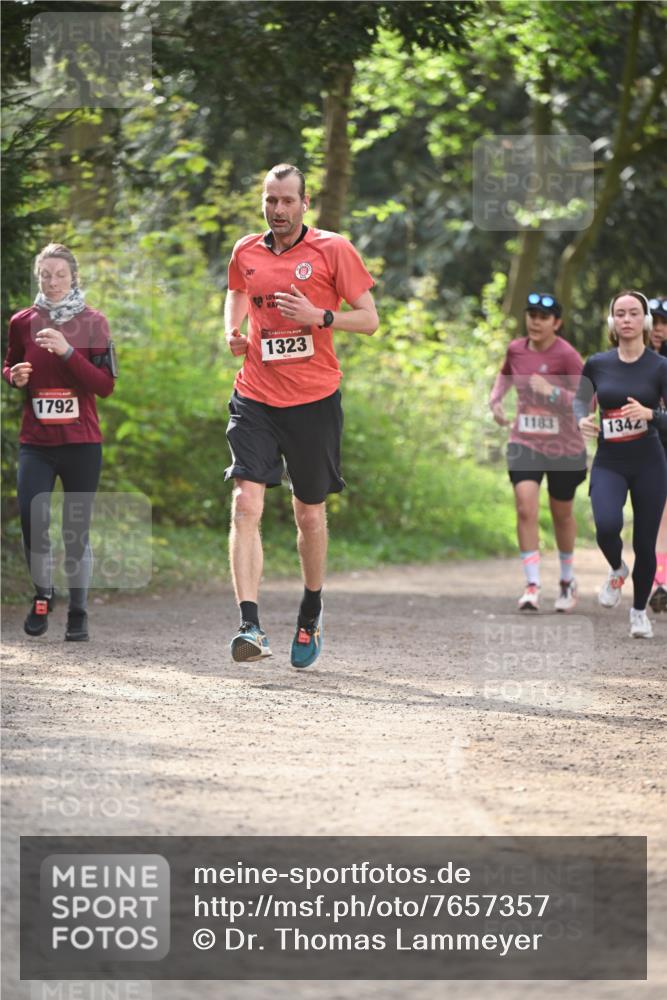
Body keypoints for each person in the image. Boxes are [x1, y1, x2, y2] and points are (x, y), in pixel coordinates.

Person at [223, 164, 378, 667]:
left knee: (308, 513)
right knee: (246, 504)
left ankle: (310, 611)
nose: (278, 210)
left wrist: (321, 317)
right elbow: (238, 290)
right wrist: (233, 331)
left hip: (313, 401)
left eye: (288, 201)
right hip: (255, 395)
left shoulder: (333, 249)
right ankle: (250, 624)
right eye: (271, 200)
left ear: (305, 203)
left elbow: (371, 319)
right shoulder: (246, 249)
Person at [2, 243, 116, 641]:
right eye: (45, 275)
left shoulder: (93, 323)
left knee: (75, 531)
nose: (52, 282)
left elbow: (105, 386)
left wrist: (68, 352)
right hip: (37, 441)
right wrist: (11, 375)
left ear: (73, 277)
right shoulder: (22, 321)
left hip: (82, 443)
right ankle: (42, 594)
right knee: (34, 520)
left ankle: (79, 613)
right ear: (38, 277)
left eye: (60, 275)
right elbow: (10, 362)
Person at [574, 291, 667, 639]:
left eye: (633, 313)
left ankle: (639, 611)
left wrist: (651, 414)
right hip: (610, 460)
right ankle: (617, 569)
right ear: (612, 321)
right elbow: (580, 401)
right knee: (606, 525)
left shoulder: (660, 367)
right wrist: (582, 419)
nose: (626, 319)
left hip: (649, 462)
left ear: (644, 321)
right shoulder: (598, 363)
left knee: (645, 544)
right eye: (620, 314)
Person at [489, 292, 587, 612]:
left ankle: (567, 579)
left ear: (556, 323)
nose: (535, 321)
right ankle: (532, 584)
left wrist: (554, 392)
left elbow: (589, 401)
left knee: (561, 515)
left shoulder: (568, 356)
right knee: (525, 507)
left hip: (564, 446)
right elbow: (504, 375)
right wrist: (496, 401)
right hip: (525, 440)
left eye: (543, 317)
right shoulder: (516, 349)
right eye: (531, 315)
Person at [647, 296, 667, 612]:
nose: (659, 329)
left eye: (664, 323)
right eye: (655, 322)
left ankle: (660, 581)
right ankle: (659, 580)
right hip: (643, 445)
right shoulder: (628, 359)